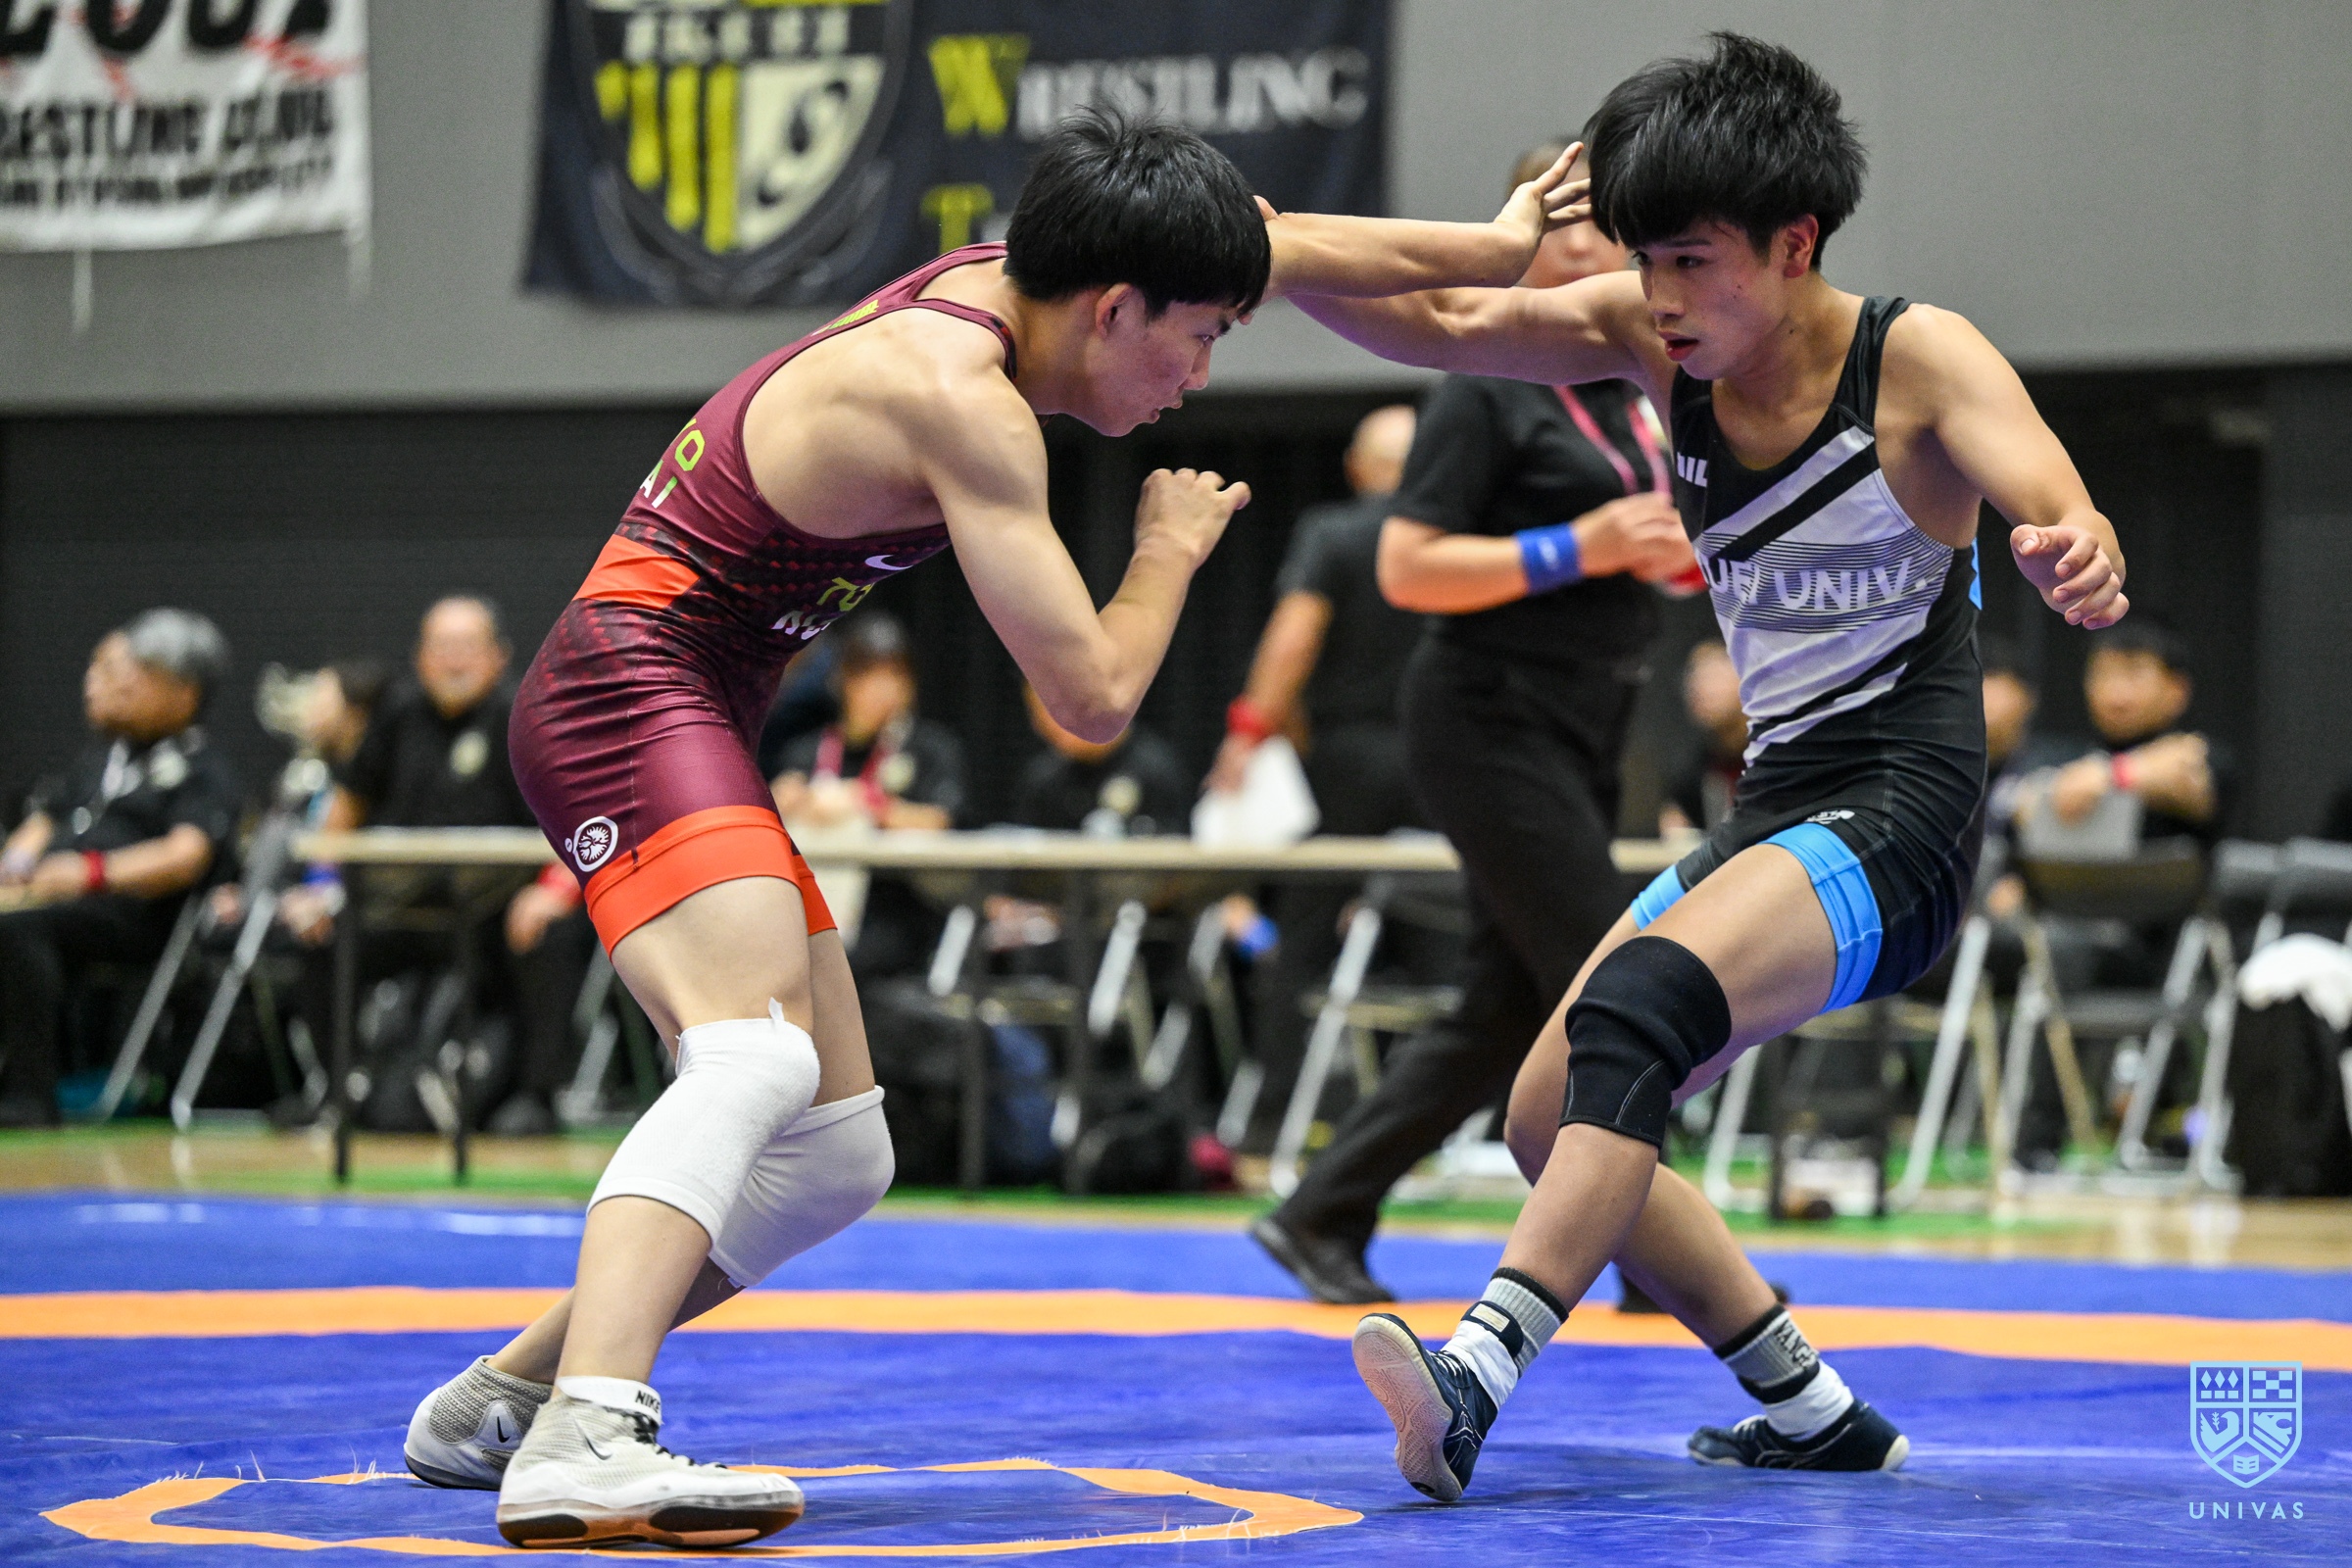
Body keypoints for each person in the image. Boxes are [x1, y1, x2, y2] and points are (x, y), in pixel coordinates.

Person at [399, 106, 1587, 1548]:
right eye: (1198, 341)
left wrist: (1499, 245)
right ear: (1115, 308)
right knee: (754, 1052)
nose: (1200, 377)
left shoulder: (1058, 269)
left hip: (683, 696)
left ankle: (507, 1398)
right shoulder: (961, 394)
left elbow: (1302, 245)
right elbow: (1090, 697)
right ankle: (589, 1434)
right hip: (626, 693)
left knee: (835, 1155)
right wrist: (1164, 556)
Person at [1287, 33, 2127, 1494]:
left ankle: (1476, 1373)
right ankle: (1810, 1408)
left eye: (1692, 262)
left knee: (1642, 1007)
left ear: (1796, 244)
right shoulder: (1645, 335)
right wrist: (1258, 244)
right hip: (1784, 812)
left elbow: (2059, 498)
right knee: (1546, 1114)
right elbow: (1441, 320)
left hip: (1906, 820)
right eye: (1644, 262)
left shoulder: (1916, 360)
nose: (1662, 299)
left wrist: (2078, 553)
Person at [1252, 138, 1694, 1305]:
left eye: (1617, 229)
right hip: (1486, 713)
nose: (1601, 248)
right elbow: (1407, 567)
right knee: (1618, 975)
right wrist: (1577, 547)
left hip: (1588, 714)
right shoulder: (1486, 385)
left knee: (1508, 1006)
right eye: (1575, 222)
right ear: (1525, 238)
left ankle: (1321, 1210)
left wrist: (1662, 556)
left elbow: (1642, 537)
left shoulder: (1627, 387)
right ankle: (1659, 1255)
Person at [1206, 405, 1427, 1148]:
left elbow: (1294, 638)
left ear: (1358, 468)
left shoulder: (1333, 533)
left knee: (1303, 942)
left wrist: (1248, 734)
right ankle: (1452, 1125)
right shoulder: (1456, 537)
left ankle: (1273, 1119)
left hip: (1347, 760)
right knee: (1444, 934)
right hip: (1444, 759)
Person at [311, 597, 595, 1138]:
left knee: (553, 936)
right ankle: (341, 1093)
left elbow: (579, 818)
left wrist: (553, 893)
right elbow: (346, 808)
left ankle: (535, 1098)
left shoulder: (527, 718)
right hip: (408, 912)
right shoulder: (396, 715)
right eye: (441, 647)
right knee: (320, 935)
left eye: (468, 647)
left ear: (499, 655)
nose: (454, 661)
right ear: (420, 657)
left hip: (498, 916)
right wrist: (321, 885)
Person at [0, 612, 240, 1127]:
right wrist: (16, 864)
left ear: (184, 692)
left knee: (17, 929)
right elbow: (45, 820)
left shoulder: (202, 769)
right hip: (55, 901)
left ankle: (30, 1094)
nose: (105, 685)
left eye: (132, 675)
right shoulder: (100, 760)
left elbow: (185, 855)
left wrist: (91, 873)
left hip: (137, 918)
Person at [771, 612, 967, 978]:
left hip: (898, 922)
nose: (882, 689)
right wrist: (785, 803)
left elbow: (939, 820)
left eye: (895, 675)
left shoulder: (931, 749)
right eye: (868, 675)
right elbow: (777, 811)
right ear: (844, 681)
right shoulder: (806, 751)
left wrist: (866, 804)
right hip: (810, 920)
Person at [1660, 640, 1746, 835]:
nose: (1699, 689)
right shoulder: (1692, 773)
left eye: (1714, 676)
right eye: (1694, 677)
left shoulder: (1779, 759)